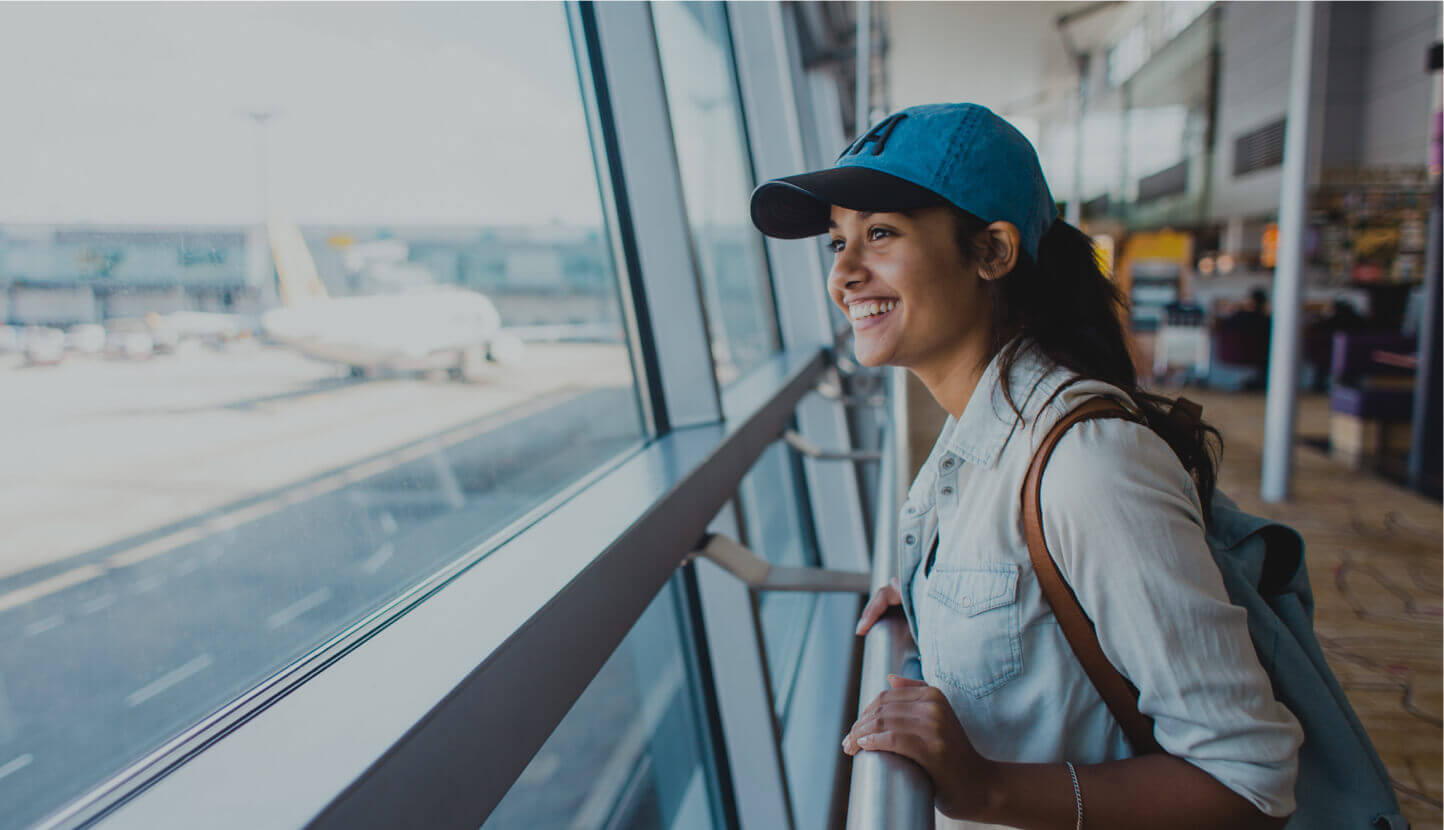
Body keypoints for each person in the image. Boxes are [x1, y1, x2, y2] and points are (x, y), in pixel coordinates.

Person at [750, 103, 1302, 829]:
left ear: (993, 252)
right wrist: (933, 601)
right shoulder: (972, 434)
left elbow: (1248, 782)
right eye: (837, 244)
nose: (845, 274)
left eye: (880, 234)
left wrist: (989, 791)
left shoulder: (1089, 466)